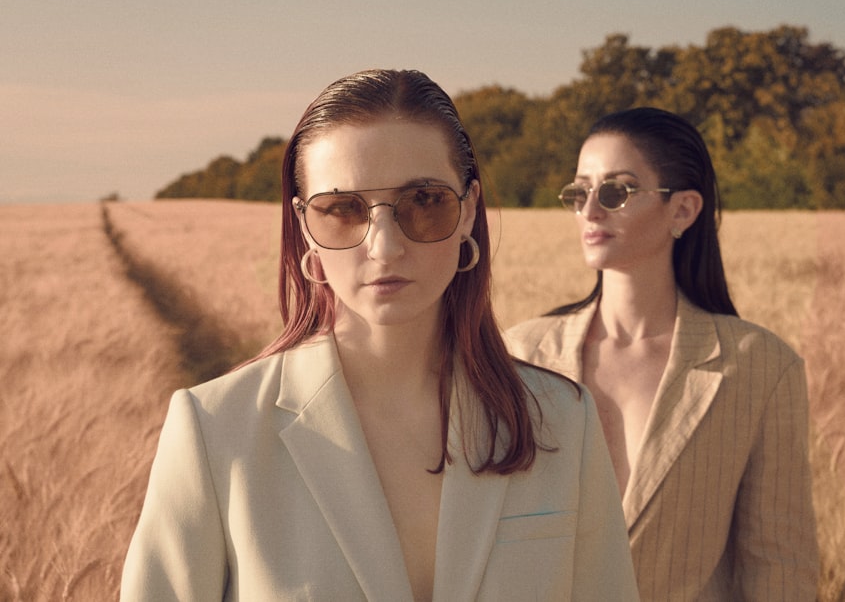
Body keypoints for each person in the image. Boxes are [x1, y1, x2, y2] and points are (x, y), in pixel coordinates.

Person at [121, 69, 639, 601]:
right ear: (304, 226)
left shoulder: (562, 421)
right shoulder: (215, 431)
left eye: (424, 201)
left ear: (467, 211)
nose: (385, 246)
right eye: (342, 209)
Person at [505, 107, 819, 601]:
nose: (590, 211)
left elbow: (778, 567)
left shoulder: (761, 366)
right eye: (579, 192)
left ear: (684, 210)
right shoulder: (519, 355)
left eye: (616, 191)